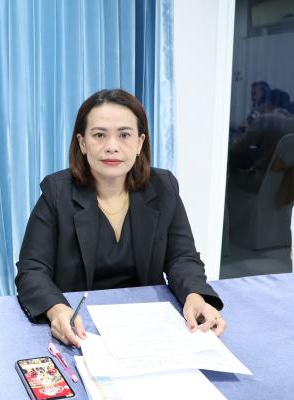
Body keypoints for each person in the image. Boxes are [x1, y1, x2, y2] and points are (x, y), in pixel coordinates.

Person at [15, 89, 226, 347]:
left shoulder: (163, 187)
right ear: (82, 143)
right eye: (99, 135)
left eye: (124, 135)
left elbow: (181, 257)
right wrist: (56, 309)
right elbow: (32, 269)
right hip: (81, 325)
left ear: (139, 143)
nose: (112, 146)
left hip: (149, 325)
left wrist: (194, 296)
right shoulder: (57, 193)